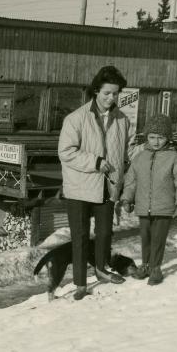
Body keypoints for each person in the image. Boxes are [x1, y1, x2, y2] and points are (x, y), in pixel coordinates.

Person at [58, 65, 133, 301]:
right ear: (96, 91)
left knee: (104, 233)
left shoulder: (122, 120)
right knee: (80, 236)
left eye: (116, 93)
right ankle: (80, 282)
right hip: (80, 186)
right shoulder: (76, 119)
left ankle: (101, 269)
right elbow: (66, 152)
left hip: (108, 185)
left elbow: (127, 151)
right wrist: (95, 161)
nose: (111, 98)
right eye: (107, 93)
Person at [119, 114, 177, 285]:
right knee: (146, 237)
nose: (156, 142)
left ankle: (156, 268)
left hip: (165, 207)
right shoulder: (139, 158)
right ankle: (145, 265)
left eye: (160, 137)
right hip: (143, 206)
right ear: (146, 137)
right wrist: (126, 198)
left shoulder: (174, 158)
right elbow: (131, 181)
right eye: (152, 137)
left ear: (168, 138)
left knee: (158, 238)